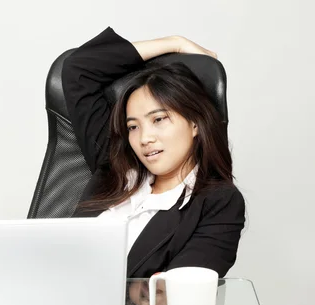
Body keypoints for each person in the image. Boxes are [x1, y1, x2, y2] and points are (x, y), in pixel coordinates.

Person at [62, 27, 246, 278]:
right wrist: (175, 42)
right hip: (49, 300)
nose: (144, 138)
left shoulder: (218, 203)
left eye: (158, 119)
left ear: (195, 123)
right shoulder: (114, 168)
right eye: (133, 126)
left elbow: (177, 294)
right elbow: (79, 70)